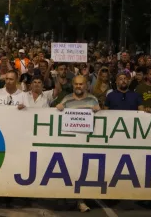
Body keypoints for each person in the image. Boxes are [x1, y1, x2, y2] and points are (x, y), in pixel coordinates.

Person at [57, 75, 99, 213]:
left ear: (86, 85)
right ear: (73, 85)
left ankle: (81, 201)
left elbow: (99, 120)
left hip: (86, 143)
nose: (78, 86)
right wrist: (59, 107)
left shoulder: (93, 100)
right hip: (69, 143)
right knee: (68, 171)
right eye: (76, 84)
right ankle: (70, 199)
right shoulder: (67, 99)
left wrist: (99, 111)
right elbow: (55, 114)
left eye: (81, 84)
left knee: (83, 173)